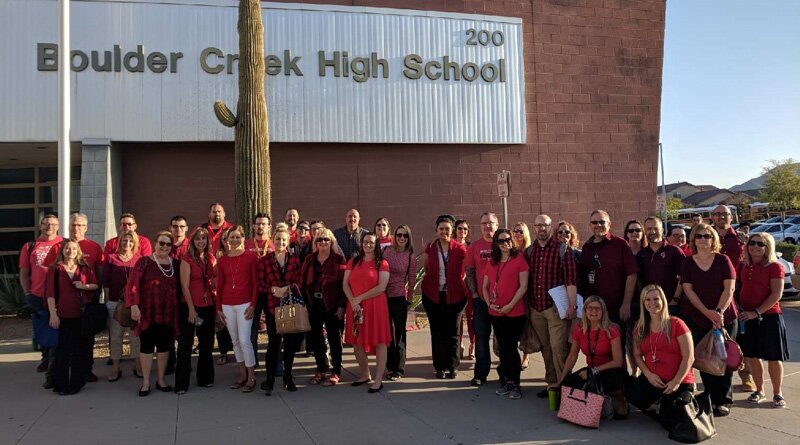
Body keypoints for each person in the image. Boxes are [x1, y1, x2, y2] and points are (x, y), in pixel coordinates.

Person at [681, 223, 737, 416]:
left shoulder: (723, 260)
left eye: (707, 236)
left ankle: (724, 400)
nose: (703, 239)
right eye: (699, 236)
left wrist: (718, 312)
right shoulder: (688, 262)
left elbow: (729, 289)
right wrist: (707, 313)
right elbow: (688, 290)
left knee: (724, 359)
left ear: (713, 239)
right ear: (693, 240)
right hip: (699, 318)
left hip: (725, 317)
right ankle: (710, 397)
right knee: (704, 359)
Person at [627, 285, 695, 420]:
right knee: (631, 395)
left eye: (656, 299)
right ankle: (658, 404)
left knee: (670, 420)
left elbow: (689, 357)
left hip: (678, 381)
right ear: (643, 303)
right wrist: (648, 374)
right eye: (647, 300)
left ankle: (672, 403)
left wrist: (676, 381)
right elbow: (637, 354)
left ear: (663, 301)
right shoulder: (639, 327)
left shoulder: (677, 324)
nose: (652, 303)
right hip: (653, 379)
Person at [527, 214, 577, 397]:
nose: (541, 229)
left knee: (558, 347)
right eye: (538, 225)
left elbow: (570, 280)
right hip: (536, 308)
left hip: (555, 309)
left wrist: (572, 306)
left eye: (545, 225)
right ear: (534, 228)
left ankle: (565, 386)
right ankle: (552, 384)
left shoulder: (562, 249)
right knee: (546, 347)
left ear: (551, 228)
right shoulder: (530, 251)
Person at [737, 233, 789, 408]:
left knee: (774, 358)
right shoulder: (743, 265)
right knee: (752, 356)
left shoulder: (775, 267)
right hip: (747, 317)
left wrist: (757, 312)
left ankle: (777, 393)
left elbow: (777, 294)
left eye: (761, 244)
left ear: (768, 247)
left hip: (769, 317)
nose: (756, 246)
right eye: (752, 242)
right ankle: (759, 390)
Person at [126, 231, 180, 397]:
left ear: (171, 247)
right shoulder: (144, 262)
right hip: (148, 312)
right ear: (155, 243)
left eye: (168, 244)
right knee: (147, 347)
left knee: (164, 348)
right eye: (161, 243)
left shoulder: (176, 264)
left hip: (169, 313)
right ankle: (146, 382)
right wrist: (134, 306)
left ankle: (161, 379)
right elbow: (132, 286)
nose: (164, 247)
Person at [558, 295, 628, 419]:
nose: (593, 311)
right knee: (566, 386)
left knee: (614, 380)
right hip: (591, 370)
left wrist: (592, 371)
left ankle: (621, 402)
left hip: (611, 370)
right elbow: (572, 356)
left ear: (603, 311)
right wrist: (561, 381)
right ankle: (591, 407)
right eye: (590, 308)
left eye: (597, 309)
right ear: (585, 311)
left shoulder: (612, 330)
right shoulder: (580, 328)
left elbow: (618, 361)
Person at [579, 210, 639, 354]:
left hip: (616, 309)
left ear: (609, 224)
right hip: (593, 312)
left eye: (602, 222)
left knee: (618, 350)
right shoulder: (587, 248)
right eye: (594, 222)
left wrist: (626, 304)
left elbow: (632, 275)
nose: (598, 225)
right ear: (590, 225)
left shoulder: (620, 244)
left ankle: (619, 376)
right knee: (596, 348)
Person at [45, 240, 99, 395]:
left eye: (74, 248)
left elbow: (95, 285)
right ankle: (61, 384)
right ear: (62, 250)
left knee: (78, 349)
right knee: (61, 351)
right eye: (67, 248)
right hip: (62, 314)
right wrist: (53, 315)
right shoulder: (55, 269)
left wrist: (84, 286)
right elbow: (50, 294)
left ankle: (77, 382)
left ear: (78, 251)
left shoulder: (85, 268)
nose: (71, 251)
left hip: (80, 314)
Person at [710, 205, 753, 392]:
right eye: (717, 214)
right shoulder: (706, 237)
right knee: (717, 339)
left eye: (725, 214)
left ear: (731, 216)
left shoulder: (741, 239)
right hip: (712, 294)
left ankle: (746, 375)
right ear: (712, 217)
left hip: (738, 294)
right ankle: (715, 376)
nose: (721, 217)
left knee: (741, 338)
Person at [257, 225, 304, 395]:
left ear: (287, 242)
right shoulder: (264, 260)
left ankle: (287, 377)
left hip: (290, 307)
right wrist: (273, 289)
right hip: (272, 307)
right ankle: (269, 379)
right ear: (272, 240)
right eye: (277, 239)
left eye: (284, 240)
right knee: (273, 344)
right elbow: (260, 283)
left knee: (290, 345)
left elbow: (300, 281)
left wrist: (288, 289)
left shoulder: (294, 260)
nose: (280, 242)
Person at [421, 215, 468, 379]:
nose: (444, 232)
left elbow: (466, 270)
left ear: (452, 230)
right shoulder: (431, 247)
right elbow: (427, 269)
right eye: (441, 228)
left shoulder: (460, 249)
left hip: (455, 296)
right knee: (437, 332)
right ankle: (439, 366)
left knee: (453, 332)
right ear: (436, 230)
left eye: (447, 229)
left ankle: (452, 366)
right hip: (434, 296)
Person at [343, 232, 392, 393]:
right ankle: (365, 374)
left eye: (371, 242)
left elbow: (381, 287)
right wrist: (353, 301)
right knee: (357, 342)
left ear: (376, 244)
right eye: (365, 242)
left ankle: (378, 380)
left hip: (376, 307)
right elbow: (345, 285)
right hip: (355, 308)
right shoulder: (353, 261)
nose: (368, 245)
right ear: (361, 243)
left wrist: (359, 298)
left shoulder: (382, 263)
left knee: (379, 342)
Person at [483, 229, 529, 399]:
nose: (505, 243)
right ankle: (506, 380)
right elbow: (485, 286)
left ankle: (514, 383)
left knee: (510, 347)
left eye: (508, 239)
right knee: (502, 348)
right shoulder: (492, 261)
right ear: (496, 243)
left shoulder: (519, 259)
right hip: (496, 312)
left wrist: (510, 305)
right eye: (501, 240)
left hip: (515, 312)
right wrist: (488, 303)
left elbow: (523, 287)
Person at [19, 213, 63, 388]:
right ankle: (46, 359)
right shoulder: (30, 246)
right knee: (42, 330)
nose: (49, 227)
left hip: (59, 295)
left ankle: (53, 368)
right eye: (46, 224)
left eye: (53, 224)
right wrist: (27, 293)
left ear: (58, 226)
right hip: (37, 295)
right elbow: (24, 272)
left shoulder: (64, 243)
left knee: (56, 331)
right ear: (40, 226)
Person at [215, 225, 259, 392]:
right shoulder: (223, 260)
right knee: (235, 341)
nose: (234, 240)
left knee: (245, 340)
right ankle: (241, 375)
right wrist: (218, 308)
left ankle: (251, 376)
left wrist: (253, 305)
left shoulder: (251, 257)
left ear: (243, 238)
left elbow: (255, 284)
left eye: (237, 237)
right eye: (231, 237)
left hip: (245, 304)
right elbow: (220, 285)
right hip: (227, 305)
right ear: (226, 240)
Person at [302, 228, 347, 387]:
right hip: (314, 304)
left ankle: (336, 371)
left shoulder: (339, 260)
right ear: (315, 243)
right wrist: (305, 305)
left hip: (332, 304)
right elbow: (303, 283)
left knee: (334, 338)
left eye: (326, 239)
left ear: (332, 242)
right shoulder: (309, 259)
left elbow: (344, 285)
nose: (323, 242)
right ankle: (321, 368)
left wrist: (342, 306)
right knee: (316, 339)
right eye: (319, 240)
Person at [175, 227, 217, 393]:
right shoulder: (187, 259)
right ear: (192, 241)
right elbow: (184, 286)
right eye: (198, 239)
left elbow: (213, 279)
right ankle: (181, 384)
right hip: (191, 307)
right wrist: (191, 309)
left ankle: (205, 378)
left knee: (206, 344)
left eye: (204, 239)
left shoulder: (210, 258)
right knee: (186, 345)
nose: (201, 242)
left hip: (208, 306)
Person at [64, 213, 104, 383]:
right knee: (66, 339)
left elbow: (100, 274)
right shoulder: (60, 246)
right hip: (65, 302)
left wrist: (95, 292)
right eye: (73, 225)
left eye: (80, 225)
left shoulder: (94, 247)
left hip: (87, 301)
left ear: (86, 228)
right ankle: (62, 372)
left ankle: (87, 370)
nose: (76, 228)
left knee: (87, 338)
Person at [103, 230, 142, 381]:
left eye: (130, 241)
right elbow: (106, 282)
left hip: (134, 304)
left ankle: (137, 364)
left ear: (135, 243)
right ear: (120, 242)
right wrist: (107, 301)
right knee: (116, 336)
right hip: (115, 302)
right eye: (124, 241)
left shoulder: (140, 259)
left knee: (135, 337)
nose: (127, 244)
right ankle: (115, 367)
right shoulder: (112, 258)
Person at [465, 212, 499, 386]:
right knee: (481, 337)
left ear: (497, 224)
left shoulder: (504, 244)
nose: (488, 226)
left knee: (502, 339)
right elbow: (469, 273)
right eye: (484, 223)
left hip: (502, 301)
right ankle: (480, 373)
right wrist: (476, 295)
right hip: (481, 301)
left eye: (491, 223)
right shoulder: (475, 247)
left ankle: (507, 374)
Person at [382, 224, 416, 380]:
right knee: (387, 332)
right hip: (383, 296)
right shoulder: (386, 251)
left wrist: (409, 301)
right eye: (399, 235)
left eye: (405, 235)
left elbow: (412, 279)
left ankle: (399, 369)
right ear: (394, 236)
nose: (401, 238)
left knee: (400, 334)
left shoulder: (410, 256)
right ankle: (389, 366)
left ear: (408, 238)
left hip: (399, 298)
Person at [637, 216, 685, 314]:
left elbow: (683, 276)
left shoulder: (674, 251)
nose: (652, 232)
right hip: (650, 306)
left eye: (656, 228)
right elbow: (638, 279)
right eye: (649, 229)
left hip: (671, 304)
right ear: (645, 231)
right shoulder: (641, 254)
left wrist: (675, 299)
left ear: (662, 230)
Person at [454, 219, 474, 360]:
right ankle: (459, 343)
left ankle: (473, 344)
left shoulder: (471, 247)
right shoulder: (451, 246)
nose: (462, 231)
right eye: (460, 228)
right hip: (456, 285)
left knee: (471, 316)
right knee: (458, 317)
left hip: (470, 285)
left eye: (465, 229)